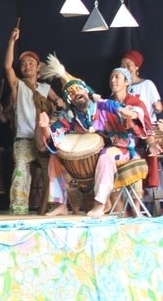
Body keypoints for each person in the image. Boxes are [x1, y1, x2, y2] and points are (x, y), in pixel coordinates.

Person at [39, 57, 160, 218]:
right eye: (71, 93)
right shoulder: (70, 116)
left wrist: (131, 114)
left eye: (78, 90)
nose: (76, 94)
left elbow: (135, 111)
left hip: (123, 150)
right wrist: (45, 127)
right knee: (55, 158)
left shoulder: (104, 105)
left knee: (106, 154)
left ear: (86, 91)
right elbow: (54, 137)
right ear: (70, 100)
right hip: (93, 156)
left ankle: (100, 204)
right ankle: (60, 204)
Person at [3, 26, 64, 215]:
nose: (26, 66)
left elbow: (59, 102)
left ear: (38, 67)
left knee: (51, 173)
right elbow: (7, 67)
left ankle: (53, 208)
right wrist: (12, 41)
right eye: (23, 64)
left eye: (31, 63)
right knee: (21, 170)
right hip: (23, 139)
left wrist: (58, 104)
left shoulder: (46, 88)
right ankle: (18, 211)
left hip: (43, 139)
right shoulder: (18, 85)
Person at [121, 50, 162, 192]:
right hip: (129, 131)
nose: (125, 68)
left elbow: (158, 106)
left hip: (147, 129)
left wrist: (157, 107)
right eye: (122, 66)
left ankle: (148, 188)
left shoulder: (147, 84)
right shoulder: (122, 87)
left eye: (128, 65)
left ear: (137, 67)